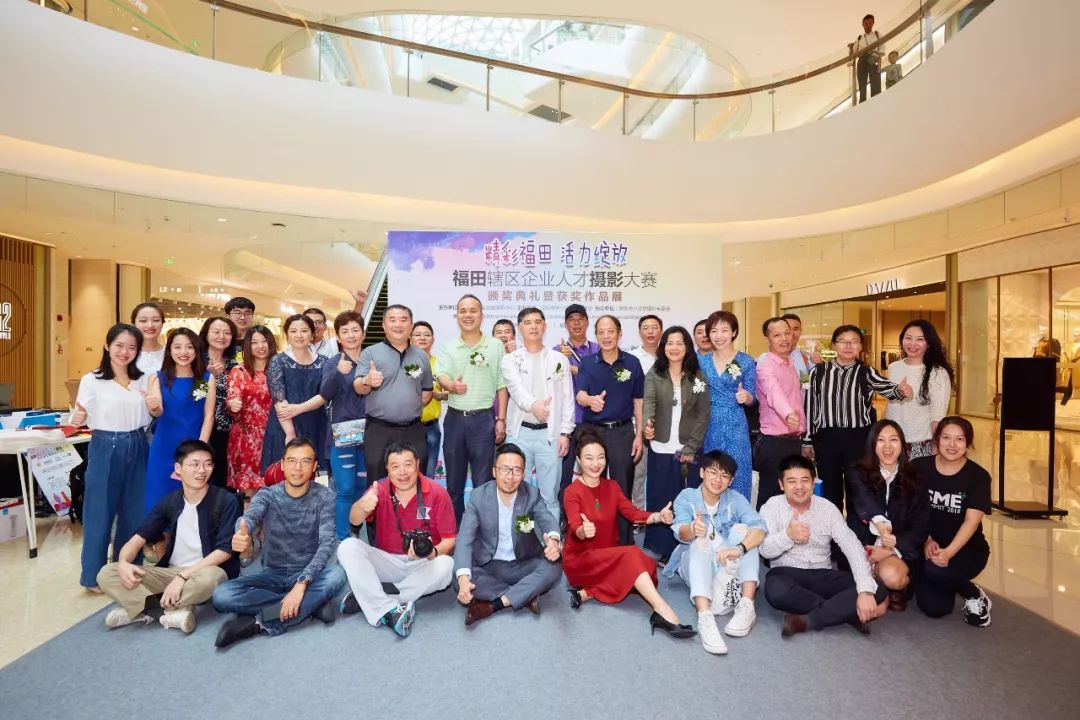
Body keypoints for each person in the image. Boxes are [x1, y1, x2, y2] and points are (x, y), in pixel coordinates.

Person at [211, 438, 345, 648]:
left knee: (337, 575)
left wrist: (301, 584)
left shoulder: (325, 496)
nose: (298, 468)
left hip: (309, 573)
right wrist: (242, 532)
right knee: (221, 595)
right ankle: (310, 604)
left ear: (314, 466)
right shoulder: (268, 494)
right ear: (282, 464)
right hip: (271, 574)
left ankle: (259, 622)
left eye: (305, 461)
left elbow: (327, 543)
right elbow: (249, 518)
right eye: (292, 461)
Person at [97, 440, 240, 634]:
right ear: (178, 469)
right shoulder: (171, 501)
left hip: (202, 572)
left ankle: (139, 608)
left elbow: (224, 551)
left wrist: (183, 577)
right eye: (194, 464)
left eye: (207, 464)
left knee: (214, 577)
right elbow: (137, 539)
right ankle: (173, 609)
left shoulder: (226, 501)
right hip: (169, 573)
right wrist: (123, 562)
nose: (202, 470)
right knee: (107, 573)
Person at [562, 432, 693, 638]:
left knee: (645, 566)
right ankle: (663, 611)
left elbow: (632, 513)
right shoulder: (572, 491)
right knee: (632, 558)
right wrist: (582, 531)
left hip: (608, 556)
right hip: (581, 561)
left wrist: (658, 516)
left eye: (600, 457)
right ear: (578, 460)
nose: (596, 464)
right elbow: (574, 527)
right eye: (589, 458)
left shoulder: (611, 486)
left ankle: (588, 592)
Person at [337, 442, 456, 637]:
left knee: (447, 566)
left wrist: (432, 552)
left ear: (418, 464)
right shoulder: (379, 489)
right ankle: (386, 608)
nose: (402, 472)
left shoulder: (437, 493)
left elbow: (450, 541)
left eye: (408, 464)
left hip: (423, 563)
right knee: (347, 546)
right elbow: (354, 519)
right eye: (395, 466)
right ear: (387, 469)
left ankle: (370, 596)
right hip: (387, 563)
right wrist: (362, 507)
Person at [760, 455, 887, 637]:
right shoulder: (771, 507)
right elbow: (765, 550)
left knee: (877, 587)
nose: (799, 487)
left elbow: (852, 547)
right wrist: (788, 535)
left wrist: (865, 591)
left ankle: (810, 620)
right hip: (786, 573)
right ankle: (846, 614)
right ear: (781, 484)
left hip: (822, 575)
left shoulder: (828, 508)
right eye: (792, 481)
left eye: (805, 480)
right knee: (775, 591)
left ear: (813, 483)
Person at [71, 324, 151, 591]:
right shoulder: (91, 380)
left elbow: (153, 414)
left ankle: (126, 570)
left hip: (138, 443)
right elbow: (79, 415)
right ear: (107, 346)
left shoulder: (144, 379)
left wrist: (154, 406)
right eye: (119, 345)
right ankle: (92, 575)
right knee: (99, 512)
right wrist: (77, 417)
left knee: (134, 512)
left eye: (132, 347)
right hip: (105, 444)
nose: (124, 352)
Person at [807, 324, 913, 513]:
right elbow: (811, 406)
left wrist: (901, 390)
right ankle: (832, 528)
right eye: (843, 341)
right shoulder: (818, 372)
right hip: (827, 439)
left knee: (858, 486)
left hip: (858, 439)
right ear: (834, 345)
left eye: (854, 342)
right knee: (829, 489)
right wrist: (807, 440)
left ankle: (857, 528)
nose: (848, 346)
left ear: (861, 346)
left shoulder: (866, 372)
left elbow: (888, 388)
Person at [668, 451, 765, 655]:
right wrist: (693, 529)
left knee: (746, 532)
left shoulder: (735, 498)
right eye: (713, 472)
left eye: (724, 475)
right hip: (694, 560)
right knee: (700, 542)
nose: (718, 479)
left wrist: (738, 549)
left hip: (725, 560)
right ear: (702, 472)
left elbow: (759, 527)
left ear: (731, 481)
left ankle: (747, 605)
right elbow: (680, 532)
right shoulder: (687, 497)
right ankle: (704, 617)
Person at [454, 443, 562, 625]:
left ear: (523, 473)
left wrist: (553, 539)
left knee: (554, 567)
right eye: (504, 469)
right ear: (494, 471)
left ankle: (494, 604)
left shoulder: (532, 494)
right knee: (458, 576)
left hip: (523, 564)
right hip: (488, 565)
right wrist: (464, 579)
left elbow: (547, 519)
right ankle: (526, 595)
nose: (510, 477)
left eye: (516, 471)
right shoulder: (478, 496)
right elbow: (465, 538)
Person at [914, 417, 992, 627]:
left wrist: (948, 553)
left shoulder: (978, 476)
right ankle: (936, 578)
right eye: (946, 437)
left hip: (965, 549)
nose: (952, 445)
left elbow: (971, 522)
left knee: (934, 571)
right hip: (927, 544)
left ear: (968, 443)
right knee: (933, 607)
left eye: (959, 439)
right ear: (937, 439)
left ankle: (973, 594)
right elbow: (914, 511)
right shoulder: (919, 467)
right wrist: (927, 539)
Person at [436, 295, 508, 523]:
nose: (468, 315)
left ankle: (482, 531)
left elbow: (501, 385)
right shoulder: (448, 347)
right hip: (455, 420)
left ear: (481, 315)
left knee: (483, 484)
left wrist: (501, 419)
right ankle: (457, 531)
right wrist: (451, 386)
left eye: (473, 310)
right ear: (457, 316)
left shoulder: (495, 346)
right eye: (463, 311)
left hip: (483, 420)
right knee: (454, 483)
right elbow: (442, 375)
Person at [575, 315, 645, 545]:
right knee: (592, 490)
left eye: (610, 331)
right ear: (596, 335)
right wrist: (590, 400)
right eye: (601, 332)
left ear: (619, 333)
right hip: (593, 433)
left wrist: (639, 435)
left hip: (622, 433)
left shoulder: (632, 363)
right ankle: (595, 540)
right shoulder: (587, 363)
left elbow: (639, 402)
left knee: (622, 489)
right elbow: (580, 395)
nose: (606, 336)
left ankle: (624, 543)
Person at [501, 307, 575, 524]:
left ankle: (550, 539)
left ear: (545, 326)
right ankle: (519, 538)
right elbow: (516, 390)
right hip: (519, 434)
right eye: (527, 322)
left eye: (537, 322)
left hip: (550, 436)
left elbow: (567, 398)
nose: (533, 326)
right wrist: (534, 405)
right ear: (519, 328)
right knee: (517, 491)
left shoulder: (559, 359)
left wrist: (565, 433)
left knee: (549, 494)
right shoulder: (510, 360)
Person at [847, 420, 929, 613]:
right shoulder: (856, 471)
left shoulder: (916, 478)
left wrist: (890, 550)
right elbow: (864, 501)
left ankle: (882, 586)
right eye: (881, 440)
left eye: (893, 440)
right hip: (864, 546)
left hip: (897, 550)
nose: (887, 447)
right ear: (872, 444)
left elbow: (921, 525)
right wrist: (881, 525)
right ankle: (881, 591)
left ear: (902, 444)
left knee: (893, 576)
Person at [354, 304, 434, 503]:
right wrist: (367, 381)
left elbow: (427, 391)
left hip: (413, 430)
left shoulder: (421, 356)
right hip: (379, 430)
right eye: (392, 320)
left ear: (411, 325)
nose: (398, 324)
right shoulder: (370, 353)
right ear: (383, 325)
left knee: (416, 479)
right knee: (377, 483)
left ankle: (414, 522)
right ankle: (378, 524)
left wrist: (406, 407)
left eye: (403, 320)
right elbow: (358, 387)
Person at [642, 326, 708, 561]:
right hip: (661, 446)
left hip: (688, 447)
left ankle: (689, 544)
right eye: (670, 343)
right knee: (661, 496)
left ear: (687, 347)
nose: (674, 348)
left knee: (687, 498)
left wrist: (692, 447)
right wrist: (647, 425)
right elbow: (649, 402)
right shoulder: (655, 373)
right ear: (663, 347)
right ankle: (661, 547)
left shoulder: (697, 376)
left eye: (679, 343)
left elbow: (703, 413)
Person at [143, 328, 214, 513]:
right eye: (177, 347)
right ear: (169, 350)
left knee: (193, 501)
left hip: (194, 446)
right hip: (163, 448)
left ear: (196, 350)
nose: (183, 352)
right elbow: (157, 411)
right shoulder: (159, 378)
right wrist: (153, 406)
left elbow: (208, 415)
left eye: (189, 347)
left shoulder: (203, 379)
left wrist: (200, 449)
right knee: (159, 497)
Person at [319, 311, 368, 539]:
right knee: (345, 489)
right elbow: (325, 394)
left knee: (362, 486)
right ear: (338, 337)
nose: (351, 335)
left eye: (355, 330)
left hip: (371, 432)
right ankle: (341, 538)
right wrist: (338, 373)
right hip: (345, 432)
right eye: (345, 331)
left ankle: (354, 534)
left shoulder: (371, 360)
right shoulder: (334, 362)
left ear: (363, 333)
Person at [700, 310, 756, 501]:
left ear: (734, 332)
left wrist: (746, 397)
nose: (719, 336)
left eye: (724, 330)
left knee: (737, 470)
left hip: (735, 423)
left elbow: (752, 396)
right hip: (709, 423)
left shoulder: (746, 361)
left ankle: (738, 516)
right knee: (711, 471)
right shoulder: (701, 361)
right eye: (714, 331)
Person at [261, 314, 328, 473]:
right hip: (285, 425)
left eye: (304, 330)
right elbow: (279, 400)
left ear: (312, 334)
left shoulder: (324, 361)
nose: (299, 335)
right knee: (285, 473)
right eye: (293, 331)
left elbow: (325, 395)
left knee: (316, 474)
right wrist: (291, 434)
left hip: (316, 423)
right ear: (287, 335)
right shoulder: (278, 361)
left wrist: (299, 408)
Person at [754, 317, 806, 510]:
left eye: (787, 333)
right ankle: (762, 531)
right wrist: (788, 414)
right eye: (777, 335)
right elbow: (773, 392)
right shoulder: (765, 363)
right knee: (769, 498)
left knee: (789, 498)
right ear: (767, 339)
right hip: (774, 443)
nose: (784, 339)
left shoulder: (791, 363)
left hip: (794, 441)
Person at [885, 320, 955, 459]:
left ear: (928, 344)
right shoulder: (893, 367)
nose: (912, 343)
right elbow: (890, 406)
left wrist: (935, 449)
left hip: (920, 444)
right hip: (891, 441)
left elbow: (937, 416)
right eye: (908, 338)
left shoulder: (938, 373)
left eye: (920, 339)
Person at [554, 304, 601, 492]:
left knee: (595, 472)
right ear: (566, 324)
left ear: (587, 322)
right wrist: (559, 359)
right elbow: (549, 381)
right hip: (566, 423)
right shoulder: (556, 351)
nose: (576, 323)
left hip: (593, 420)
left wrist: (572, 368)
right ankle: (564, 510)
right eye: (572, 320)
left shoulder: (599, 349)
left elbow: (603, 379)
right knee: (563, 475)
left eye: (580, 319)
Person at [226, 326, 276, 497]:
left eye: (264, 341)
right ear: (248, 345)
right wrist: (232, 404)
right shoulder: (239, 371)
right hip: (246, 437)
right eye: (255, 342)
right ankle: (248, 515)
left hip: (273, 436)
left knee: (274, 486)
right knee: (249, 491)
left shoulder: (279, 370)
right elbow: (232, 397)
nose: (260, 346)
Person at [199, 316, 239, 489]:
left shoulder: (235, 365)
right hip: (201, 427)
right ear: (206, 334)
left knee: (225, 479)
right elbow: (194, 396)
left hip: (228, 431)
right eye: (216, 332)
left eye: (227, 333)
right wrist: (207, 377)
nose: (221, 336)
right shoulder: (196, 361)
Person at [630, 314, 663, 508]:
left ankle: (660, 511)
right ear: (640, 332)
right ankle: (637, 513)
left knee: (662, 472)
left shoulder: (669, 355)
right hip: (639, 424)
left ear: (661, 331)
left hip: (666, 425)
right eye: (646, 328)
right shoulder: (632, 358)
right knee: (638, 472)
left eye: (654, 327)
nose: (650, 332)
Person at [411, 321, 447, 479]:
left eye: (426, 335)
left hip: (432, 427)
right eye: (418, 334)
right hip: (410, 426)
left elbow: (449, 394)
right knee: (410, 473)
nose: (422, 338)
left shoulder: (440, 364)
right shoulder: (404, 363)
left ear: (433, 339)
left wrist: (436, 394)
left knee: (429, 475)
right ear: (411, 338)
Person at [851, 13, 882, 103]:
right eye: (866, 23)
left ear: (873, 23)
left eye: (870, 23)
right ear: (863, 25)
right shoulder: (859, 38)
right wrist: (851, 47)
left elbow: (881, 48)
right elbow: (854, 51)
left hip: (873, 58)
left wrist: (878, 58)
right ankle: (862, 102)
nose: (868, 25)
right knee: (861, 82)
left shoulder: (877, 34)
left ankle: (876, 101)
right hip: (862, 59)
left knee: (875, 79)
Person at [131, 302, 166, 374]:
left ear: (162, 324)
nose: (150, 325)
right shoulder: (126, 353)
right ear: (134, 324)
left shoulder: (170, 354)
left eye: (156, 320)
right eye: (143, 321)